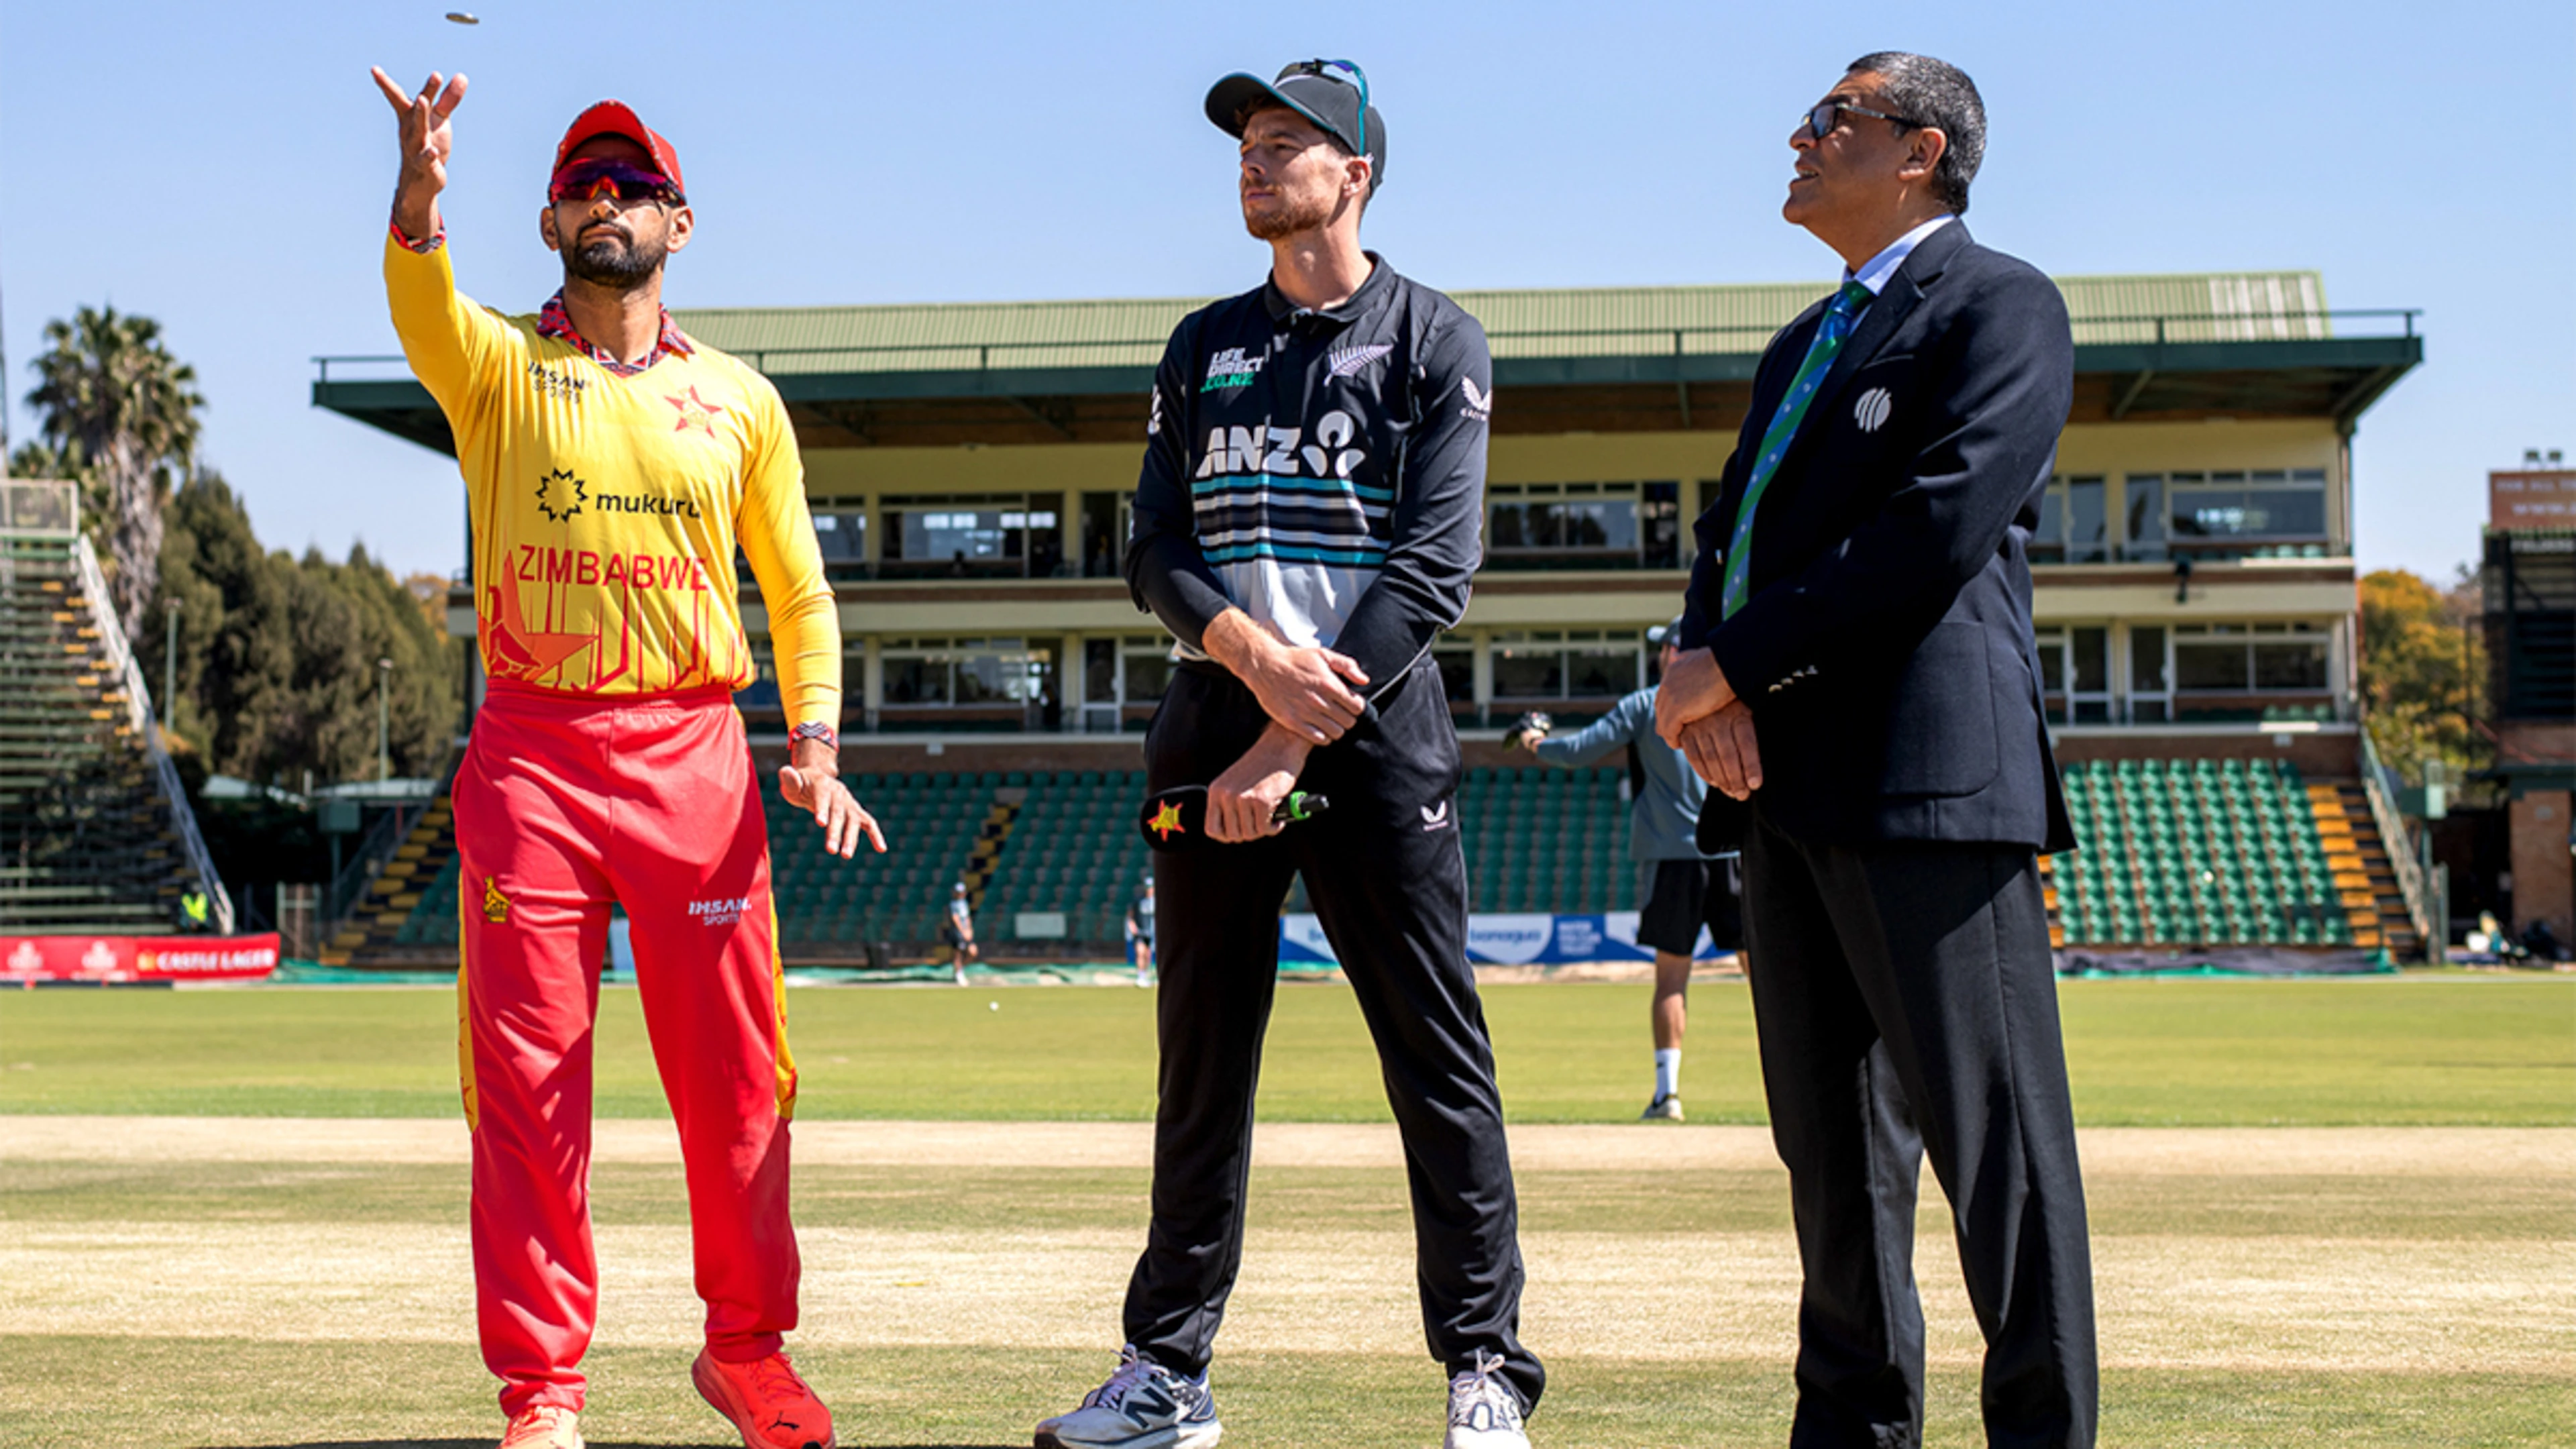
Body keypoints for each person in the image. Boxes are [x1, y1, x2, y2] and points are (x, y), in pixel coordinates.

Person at [369, 68, 883, 1449]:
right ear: (547, 223)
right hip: (535, 759)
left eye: (635, 187)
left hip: (696, 757)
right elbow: (420, 295)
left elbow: (800, 593)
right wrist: (420, 193)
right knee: (532, 1087)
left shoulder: (740, 403)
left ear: (682, 225)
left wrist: (816, 741)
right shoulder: (496, 368)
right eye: (586, 186)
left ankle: (747, 1351)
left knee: (738, 1083)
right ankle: (544, 1390)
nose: (610, 202)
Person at [1034, 58, 1542, 1449]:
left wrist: (1286, 739)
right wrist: (1248, 663)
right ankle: (1165, 1375)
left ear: (1355, 174)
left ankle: (1485, 1368)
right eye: (1246, 148)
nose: (1255, 166)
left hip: (1374, 742)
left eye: (1285, 145)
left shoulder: (1437, 339)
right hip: (1208, 732)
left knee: (1436, 1060)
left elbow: (1435, 563)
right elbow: (1154, 549)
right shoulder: (1203, 344)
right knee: (1200, 1059)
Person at [1654, 52, 2097, 1448]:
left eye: (1830, 119)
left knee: (2000, 1170)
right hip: (1783, 795)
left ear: (1921, 149)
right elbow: (1733, 534)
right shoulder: (1804, 343)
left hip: (1932, 787)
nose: (1798, 138)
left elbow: (1937, 528)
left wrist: (1732, 658)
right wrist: (1696, 672)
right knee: (1835, 1179)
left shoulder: (2001, 301)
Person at [1507, 616, 1735, 1121]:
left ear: (1674, 652)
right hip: (1734, 852)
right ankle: (1793, 1093)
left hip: (1674, 857)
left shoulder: (1647, 704)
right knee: (1765, 978)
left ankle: (1667, 1095)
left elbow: (1577, 751)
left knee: (1671, 980)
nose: (1661, 655)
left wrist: (1532, 741)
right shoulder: (1731, 692)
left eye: (1665, 647)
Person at [1124, 874, 1157, 987]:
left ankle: (1145, 975)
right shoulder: (1138, 901)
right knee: (1141, 952)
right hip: (1141, 932)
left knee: (1148, 955)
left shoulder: (1158, 901)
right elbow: (1131, 916)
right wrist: (1133, 928)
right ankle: (1141, 976)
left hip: (1151, 932)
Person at [943, 880, 977, 985]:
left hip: (966, 932)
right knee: (958, 954)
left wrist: (969, 929)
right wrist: (963, 931)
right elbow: (956, 918)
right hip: (957, 933)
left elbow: (967, 918)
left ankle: (960, 970)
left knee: (973, 952)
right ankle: (959, 974)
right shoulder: (953, 904)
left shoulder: (964, 903)